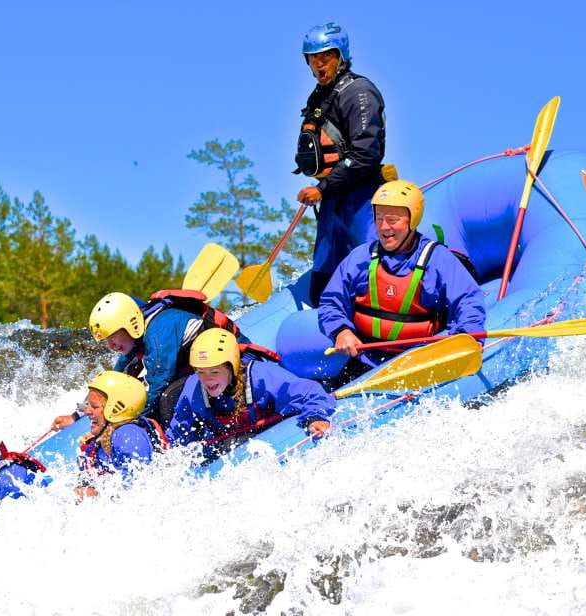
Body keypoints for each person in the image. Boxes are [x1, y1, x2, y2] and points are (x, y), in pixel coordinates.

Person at [318, 180, 486, 374]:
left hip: (420, 360)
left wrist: (468, 339)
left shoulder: (438, 259)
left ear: (412, 220)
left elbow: (468, 302)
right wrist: (341, 331)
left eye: (392, 220)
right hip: (363, 360)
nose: (384, 227)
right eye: (379, 218)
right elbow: (331, 301)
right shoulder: (360, 257)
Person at [293, 22, 390, 307]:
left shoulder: (358, 92)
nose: (319, 64)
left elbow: (365, 153)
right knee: (321, 289)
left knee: (367, 277)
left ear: (341, 56)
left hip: (362, 199)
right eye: (313, 58)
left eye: (326, 57)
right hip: (333, 205)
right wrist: (325, 190)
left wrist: (322, 188)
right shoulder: (320, 97)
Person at [53, 290, 246, 430]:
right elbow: (114, 379)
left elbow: (158, 385)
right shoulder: (136, 336)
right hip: (202, 370)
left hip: (234, 364)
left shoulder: (158, 333)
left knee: (165, 399)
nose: (110, 346)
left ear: (130, 325)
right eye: (106, 341)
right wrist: (78, 414)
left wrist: (126, 423)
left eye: (112, 337)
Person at [167, 328, 335, 462]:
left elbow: (310, 392)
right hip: (234, 446)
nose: (207, 379)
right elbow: (178, 433)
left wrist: (315, 416)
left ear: (231, 367)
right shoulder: (193, 389)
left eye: (214, 371)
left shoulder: (262, 376)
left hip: (276, 437)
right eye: (201, 372)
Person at [75, 370, 167, 497]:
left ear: (116, 409)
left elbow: (142, 487)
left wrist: (96, 494)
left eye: (94, 407)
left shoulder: (127, 434)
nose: (87, 412)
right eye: (88, 405)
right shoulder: (108, 433)